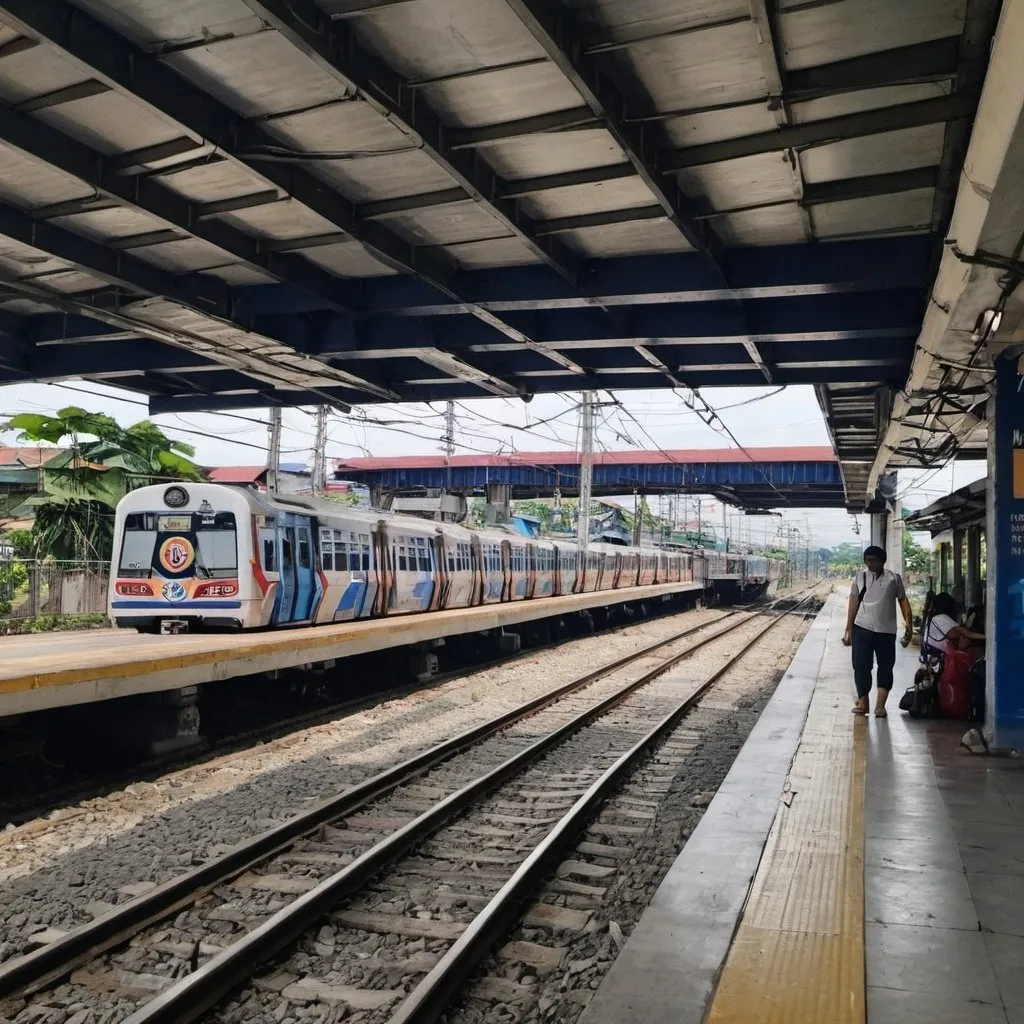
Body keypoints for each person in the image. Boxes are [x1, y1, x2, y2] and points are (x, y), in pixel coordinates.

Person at [842, 545, 913, 718]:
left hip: (886, 631)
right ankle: (863, 702)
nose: (869, 563)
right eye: (867, 560)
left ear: (882, 560)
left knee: (886, 667)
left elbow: (903, 601)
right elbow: (853, 604)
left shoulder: (894, 579)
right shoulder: (860, 577)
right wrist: (848, 629)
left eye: (873, 560)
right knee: (860, 666)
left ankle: (880, 706)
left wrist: (909, 625)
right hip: (862, 628)